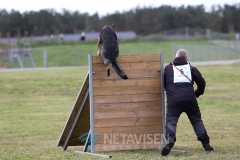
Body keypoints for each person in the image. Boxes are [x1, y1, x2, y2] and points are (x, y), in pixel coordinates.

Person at [161, 49, 214, 156]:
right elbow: (202, 83)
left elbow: (164, 84)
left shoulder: (168, 68)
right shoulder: (191, 69)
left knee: (171, 121)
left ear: (175, 57)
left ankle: (170, 139)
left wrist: (171, 92)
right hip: (190, 99)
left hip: (174, 100)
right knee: (196, 120)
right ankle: (206, 144)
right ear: (187, 59)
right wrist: (197, 93)